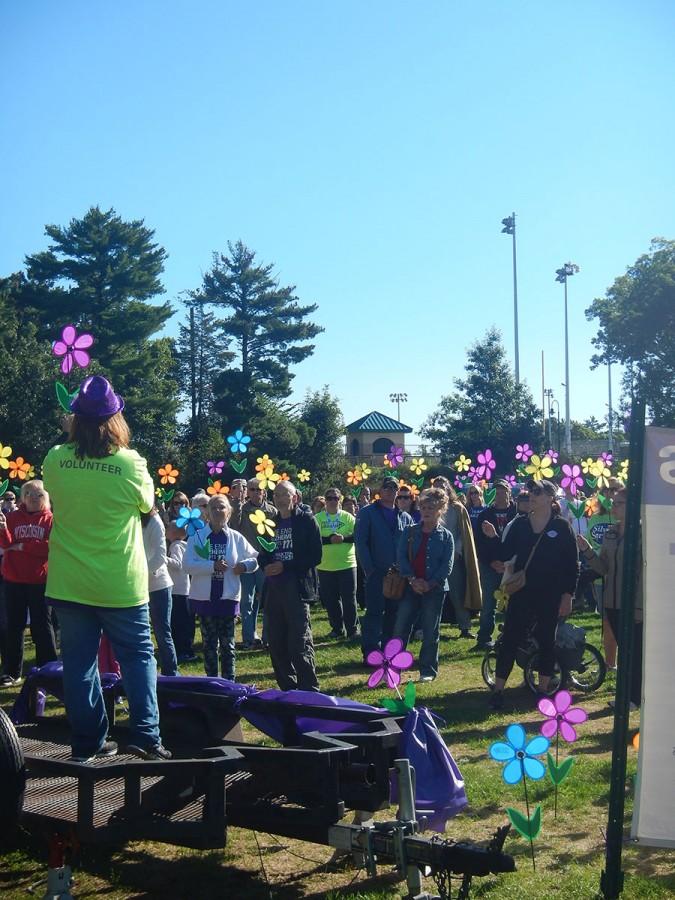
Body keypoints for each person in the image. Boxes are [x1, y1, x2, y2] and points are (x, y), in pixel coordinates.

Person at [42, 375, 170, 761]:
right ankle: (146, 738)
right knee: (138, 658)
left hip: (68, 581)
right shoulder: (131, 463)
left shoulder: (54, 459)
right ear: (116, 419)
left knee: (79, 665)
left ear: (75, 418)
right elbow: (147, 509)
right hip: (120, 583)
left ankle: (88, 743)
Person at [482, 479, 578, 710]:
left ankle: (543, 691)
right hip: (522, 592)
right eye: (529, 492)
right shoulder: (520, 525)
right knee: (510, 639)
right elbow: (506, 553)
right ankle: (498, 690)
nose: (530, 496)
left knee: (547, 640)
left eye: (536, 492)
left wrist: (568, 596)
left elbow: (571, 565)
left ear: (550, 497)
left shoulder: (562, 527)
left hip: (551, 594)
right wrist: (494, 537)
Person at [576, 487, 642, 709]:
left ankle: (633, 698)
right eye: (613, 503)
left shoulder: (642, 533)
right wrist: (587, 552)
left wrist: (639, 607)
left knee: (634, 653)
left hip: (633, 604)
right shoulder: (611, 533)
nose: (613, 507)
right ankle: (627, 696)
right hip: (611, 602)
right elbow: (603, 567)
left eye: (618, 503)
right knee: (625, 651)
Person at [184, 494, 258, 681]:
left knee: (228, 645)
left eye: (222, 507)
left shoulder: (236, 538)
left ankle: (229, 683)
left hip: (228, 598)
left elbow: (255, 558)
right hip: (205, 599)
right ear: (207, 512)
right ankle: (211, 682)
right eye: (214, 508)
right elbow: (187, 565)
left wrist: (245, 566)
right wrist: (212, 566)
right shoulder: (197, 537)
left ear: (229, 512)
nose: (218, 511)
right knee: (209, 644)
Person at [257, 481, 322, 691]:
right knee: (275, 641)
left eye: (284, 494)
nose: (279, 498)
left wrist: (284, 565)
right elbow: (263, 553)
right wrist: (266, 565)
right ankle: (288, 689)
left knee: (298, 642)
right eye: (276, 495)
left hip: (297, 588)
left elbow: (315, 555)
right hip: (274, 590)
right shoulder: (270, 523)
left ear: (295, 497)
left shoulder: (306, 520)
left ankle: (309, 689)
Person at [0, 480, 57, 686]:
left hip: (40, 581)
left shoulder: (50, 519)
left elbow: (50, 547)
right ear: (23, 497)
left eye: (39, 494)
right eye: (29, 494)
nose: (34, 498)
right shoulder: (12, 517)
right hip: (13, 579)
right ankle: (12, 671)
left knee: (42, 626)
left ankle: (49, 670)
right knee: (14, 627)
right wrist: (4, 529)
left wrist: (22, 545)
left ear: (46, 497)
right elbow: (6, 544)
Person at [394, 488, 454, 682]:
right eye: (423, 507)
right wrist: (412, 579)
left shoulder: (446, 536)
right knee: (401, 627)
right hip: (411, 586)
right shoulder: (410, 531)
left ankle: (427, 670)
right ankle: (395, 668)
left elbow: (447, 565)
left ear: (440, 510)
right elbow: (401, 556)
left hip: (434, 590)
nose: (426, 511)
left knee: (430, 630)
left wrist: (430, 583)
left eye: (431, 508)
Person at [355, 475, 413, 659]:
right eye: (386, 487)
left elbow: (410, 546)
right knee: (374, 612)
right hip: (376, 572)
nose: (390, 491)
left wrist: (406, 571)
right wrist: (369, 569)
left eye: (394, 488)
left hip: (398, 575)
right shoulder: (367, 512)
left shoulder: (405, 517)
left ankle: (389, 651)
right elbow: (361, 542)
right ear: (380, 490)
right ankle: (371, 652)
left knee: (394, 614)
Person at [430, 476, 481, 640]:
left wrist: (457, 552)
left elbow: (462, 533)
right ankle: (430, 627)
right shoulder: (428, 508)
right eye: (436, 487)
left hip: (453, 557)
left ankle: (465, 627)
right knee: (433, 595)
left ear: (448, 488)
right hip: (433, 559)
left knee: (457, 593)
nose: (439, 489)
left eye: (442, 486)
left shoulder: (457, 508)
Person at [230, 477, 277, 648]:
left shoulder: (272, 511)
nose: (256, 492)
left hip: (266, 562)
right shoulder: (242, 510)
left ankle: (268, 637)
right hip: (247, 562)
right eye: (252, 489)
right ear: (247, 492)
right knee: (247, 601)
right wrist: (236, 502)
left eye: (259, 489)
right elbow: (234, 526)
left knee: (267, 600)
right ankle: (249, 638)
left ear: (264, 491)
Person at [474, 480, 517, 650]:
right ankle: (484, 637)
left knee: (512, 602)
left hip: (512, 565)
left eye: (502, 492)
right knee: (488, 604)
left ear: (509, 493)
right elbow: (479, 542)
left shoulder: (517, 513)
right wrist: (491, 562)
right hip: (490, 565)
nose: (499, 496)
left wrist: (507, 563)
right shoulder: (485, 515)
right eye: (496, 492)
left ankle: (510, 635)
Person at [315, 488, 359, 639]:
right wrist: (329, 540)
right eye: (329, 498)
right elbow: (312, 539)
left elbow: (357, 536)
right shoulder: (317, 518)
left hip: (347, 564)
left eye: (335, 498)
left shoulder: (348, 517)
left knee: (349, 599)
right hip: (325, 565)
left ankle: (352, 630)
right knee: (331, 600)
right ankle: (337, 629)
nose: (332, 501)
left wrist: (344, 539)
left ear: (340, 501)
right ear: (325, 501)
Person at [141, 508, 178, 676]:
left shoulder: (155, 522)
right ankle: (146, 673)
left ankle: (171, 673)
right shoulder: (130, 519)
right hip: (137, 585)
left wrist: (140, 574)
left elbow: (160, 556)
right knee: (143, 634)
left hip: (158, 584)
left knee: (162, 632)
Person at [167, 522, 195, 663]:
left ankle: (183, 651)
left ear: (175, 533)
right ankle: (187, 650)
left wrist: (163, 559)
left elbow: (178, 564)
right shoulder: (184, 546)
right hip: (184, 590)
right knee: (185, 623)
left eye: (168, 529)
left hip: (178, 590)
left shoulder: (176, 546)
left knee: (179, 623)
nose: (166, 531)